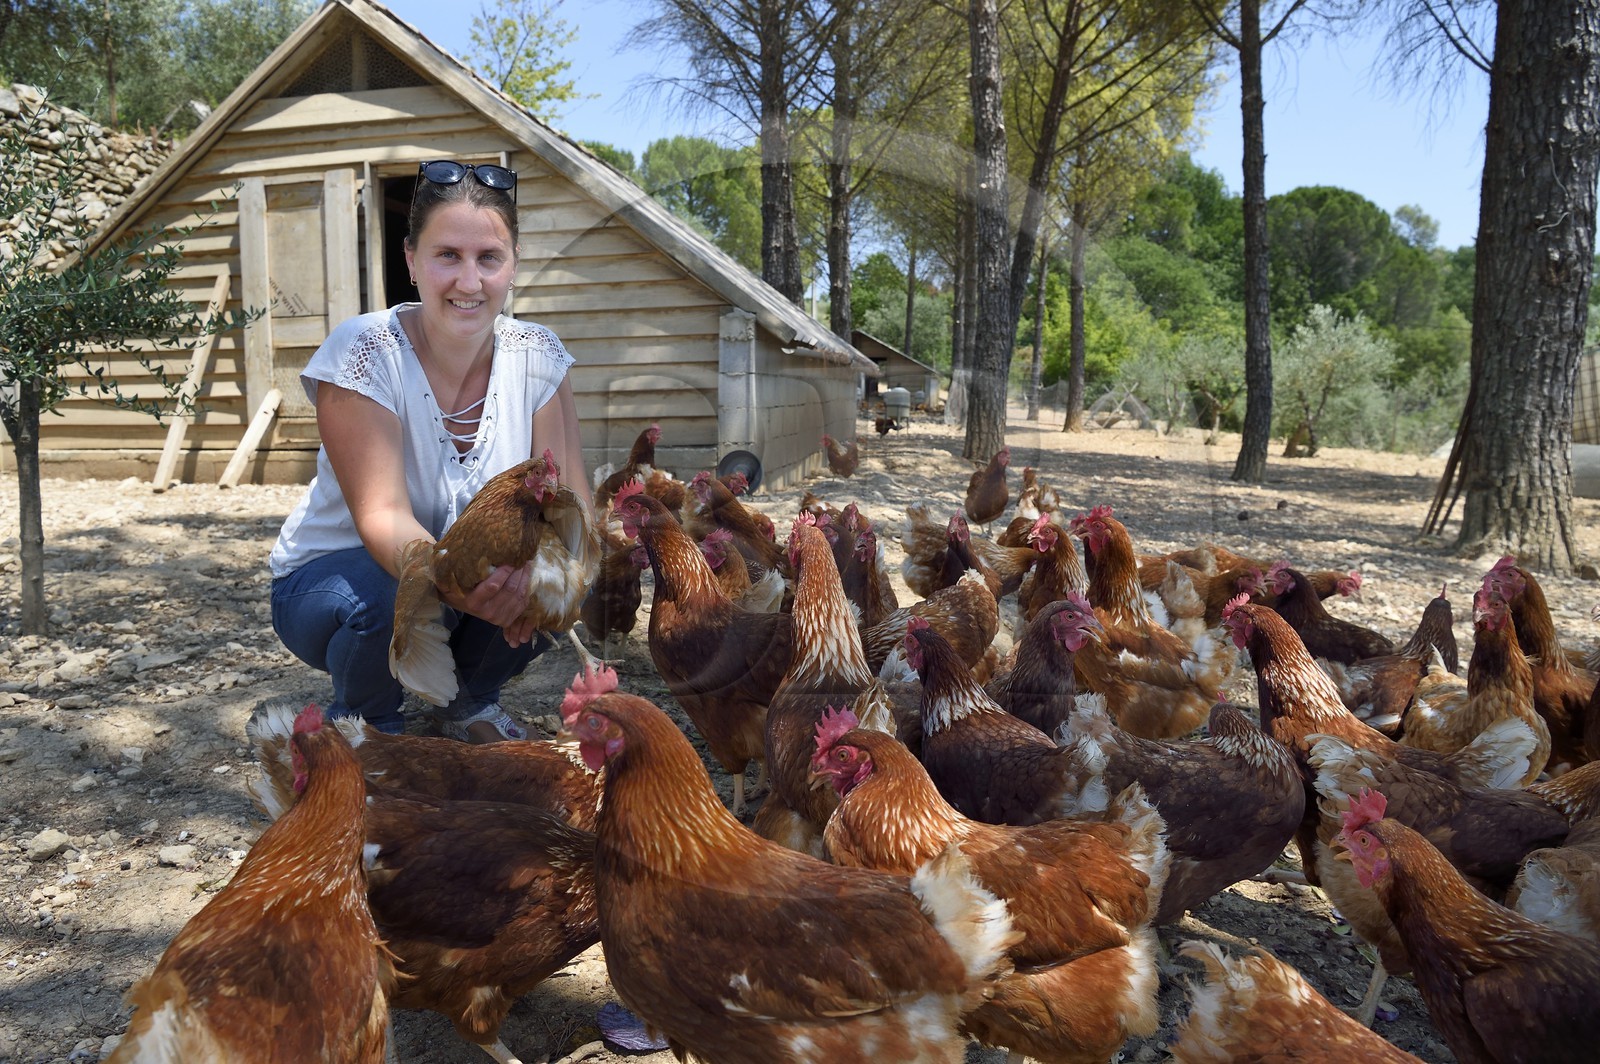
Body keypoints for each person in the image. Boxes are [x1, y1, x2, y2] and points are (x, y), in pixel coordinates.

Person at [268, 159, 590, 744]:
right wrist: (460, 582)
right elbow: (382, 517)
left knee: (554, 585)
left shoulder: (538, 355)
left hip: (459, 585)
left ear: (512, 265)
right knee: (396, 590)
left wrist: (539, 582)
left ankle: (467, 703)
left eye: (488, 258)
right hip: (336, 578)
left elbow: (572, 508)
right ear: (412, 260)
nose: (469, 282)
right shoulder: (365, 352)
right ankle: (371, 723)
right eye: (448, 256)